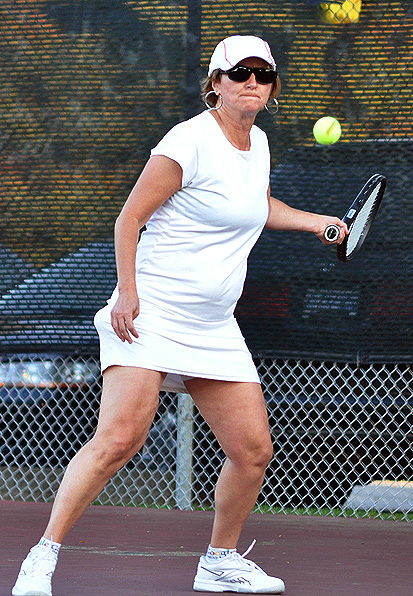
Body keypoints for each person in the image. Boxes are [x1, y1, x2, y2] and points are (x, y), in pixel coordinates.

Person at [12, 35, 347, 596]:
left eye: (262, 75)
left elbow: (258, 207)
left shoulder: (258, 143)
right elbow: (128, 219)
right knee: (120, 439)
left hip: (213, 324)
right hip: (154, 312)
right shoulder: (187, 141)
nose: (251, 83)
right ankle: (41, 559)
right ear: (215, 83)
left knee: (253, 450)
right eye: (239, 73)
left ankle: (219, 561)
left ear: (271, 88)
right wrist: (127, 291)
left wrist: (318, 222)